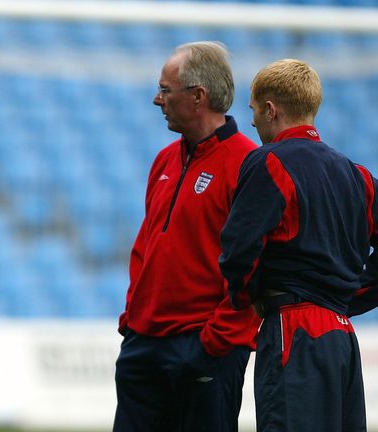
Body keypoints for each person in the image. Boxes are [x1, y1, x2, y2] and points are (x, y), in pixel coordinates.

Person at [219, 58, 378, 432]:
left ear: (271, 110)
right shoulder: (360, 177)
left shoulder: (268, 162)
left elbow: (238, 250)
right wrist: (353, 297)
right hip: (341, 336)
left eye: (255, 111)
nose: (253, 121)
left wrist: (247, 298)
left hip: (292, 329)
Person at [113, 41, 260, 432]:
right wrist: (133, 318)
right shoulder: (164, 159)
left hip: (204, 347)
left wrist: (215, 341)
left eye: (165, 90)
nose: (156, 99)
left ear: (198, 96)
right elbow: (145, 245)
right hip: (143, 344)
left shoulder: (248, 165)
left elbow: (257, 265)